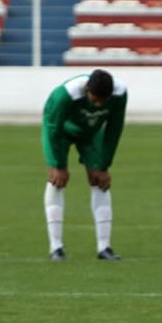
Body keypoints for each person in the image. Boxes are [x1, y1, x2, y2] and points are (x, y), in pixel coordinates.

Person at [41, 69, 127, 262]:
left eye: (103, 102)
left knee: (100, 181)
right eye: (95, 100)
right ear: (87, 90)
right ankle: (56, 248)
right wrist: (57, 164)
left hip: (90, 133)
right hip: (61, 132)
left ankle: (104, 247)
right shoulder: (65, 95)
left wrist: (104, 165)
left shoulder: (120, 94)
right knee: (57, 181)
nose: (98, 105)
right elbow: (51, 126)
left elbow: (115, 128)